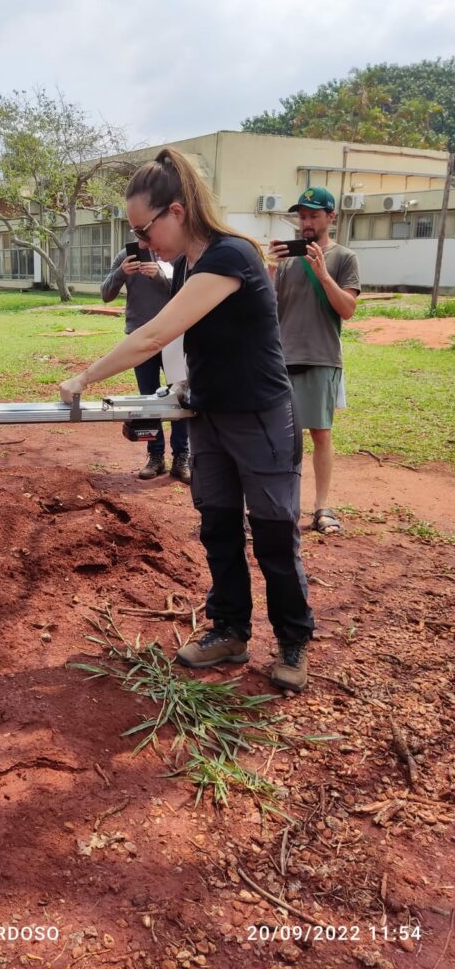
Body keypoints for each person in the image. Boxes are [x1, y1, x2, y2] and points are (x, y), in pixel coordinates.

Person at [59, 148, 315, 692]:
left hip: (262, 418)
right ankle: (229, 629)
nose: (142, 241)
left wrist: (86, 378)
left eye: (144, 228)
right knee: (217, 526)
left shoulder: (232, 256)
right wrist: (166, 395)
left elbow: (153, 334)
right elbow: (179, 347)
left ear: (175, 211)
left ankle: (293, 641)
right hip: (210, 418)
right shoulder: (190, 268)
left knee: (272, 534)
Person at [269, 188, 360, 535]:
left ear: (330, 217)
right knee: (278, 436)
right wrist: (270, 268)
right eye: (302, 216)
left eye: (313, 216)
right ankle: (280, 504)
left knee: (321, 433)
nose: (306, 223)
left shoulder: (344, 258)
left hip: (322, 356)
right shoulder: (287, 260)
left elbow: (347, 310)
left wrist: (323, 274)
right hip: (281, 359)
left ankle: (322, 507)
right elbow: (266, 309)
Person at [101, 245, 191, 483]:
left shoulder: (177, 253)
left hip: (174, 338)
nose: (143, 237)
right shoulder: (125, 255)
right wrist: (122, 272)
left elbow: (188, 294)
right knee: (148, 399)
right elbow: (106, 294)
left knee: (179, 397)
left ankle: (182, 456)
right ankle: (155, 457)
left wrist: (159, 276)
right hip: (140, 340)